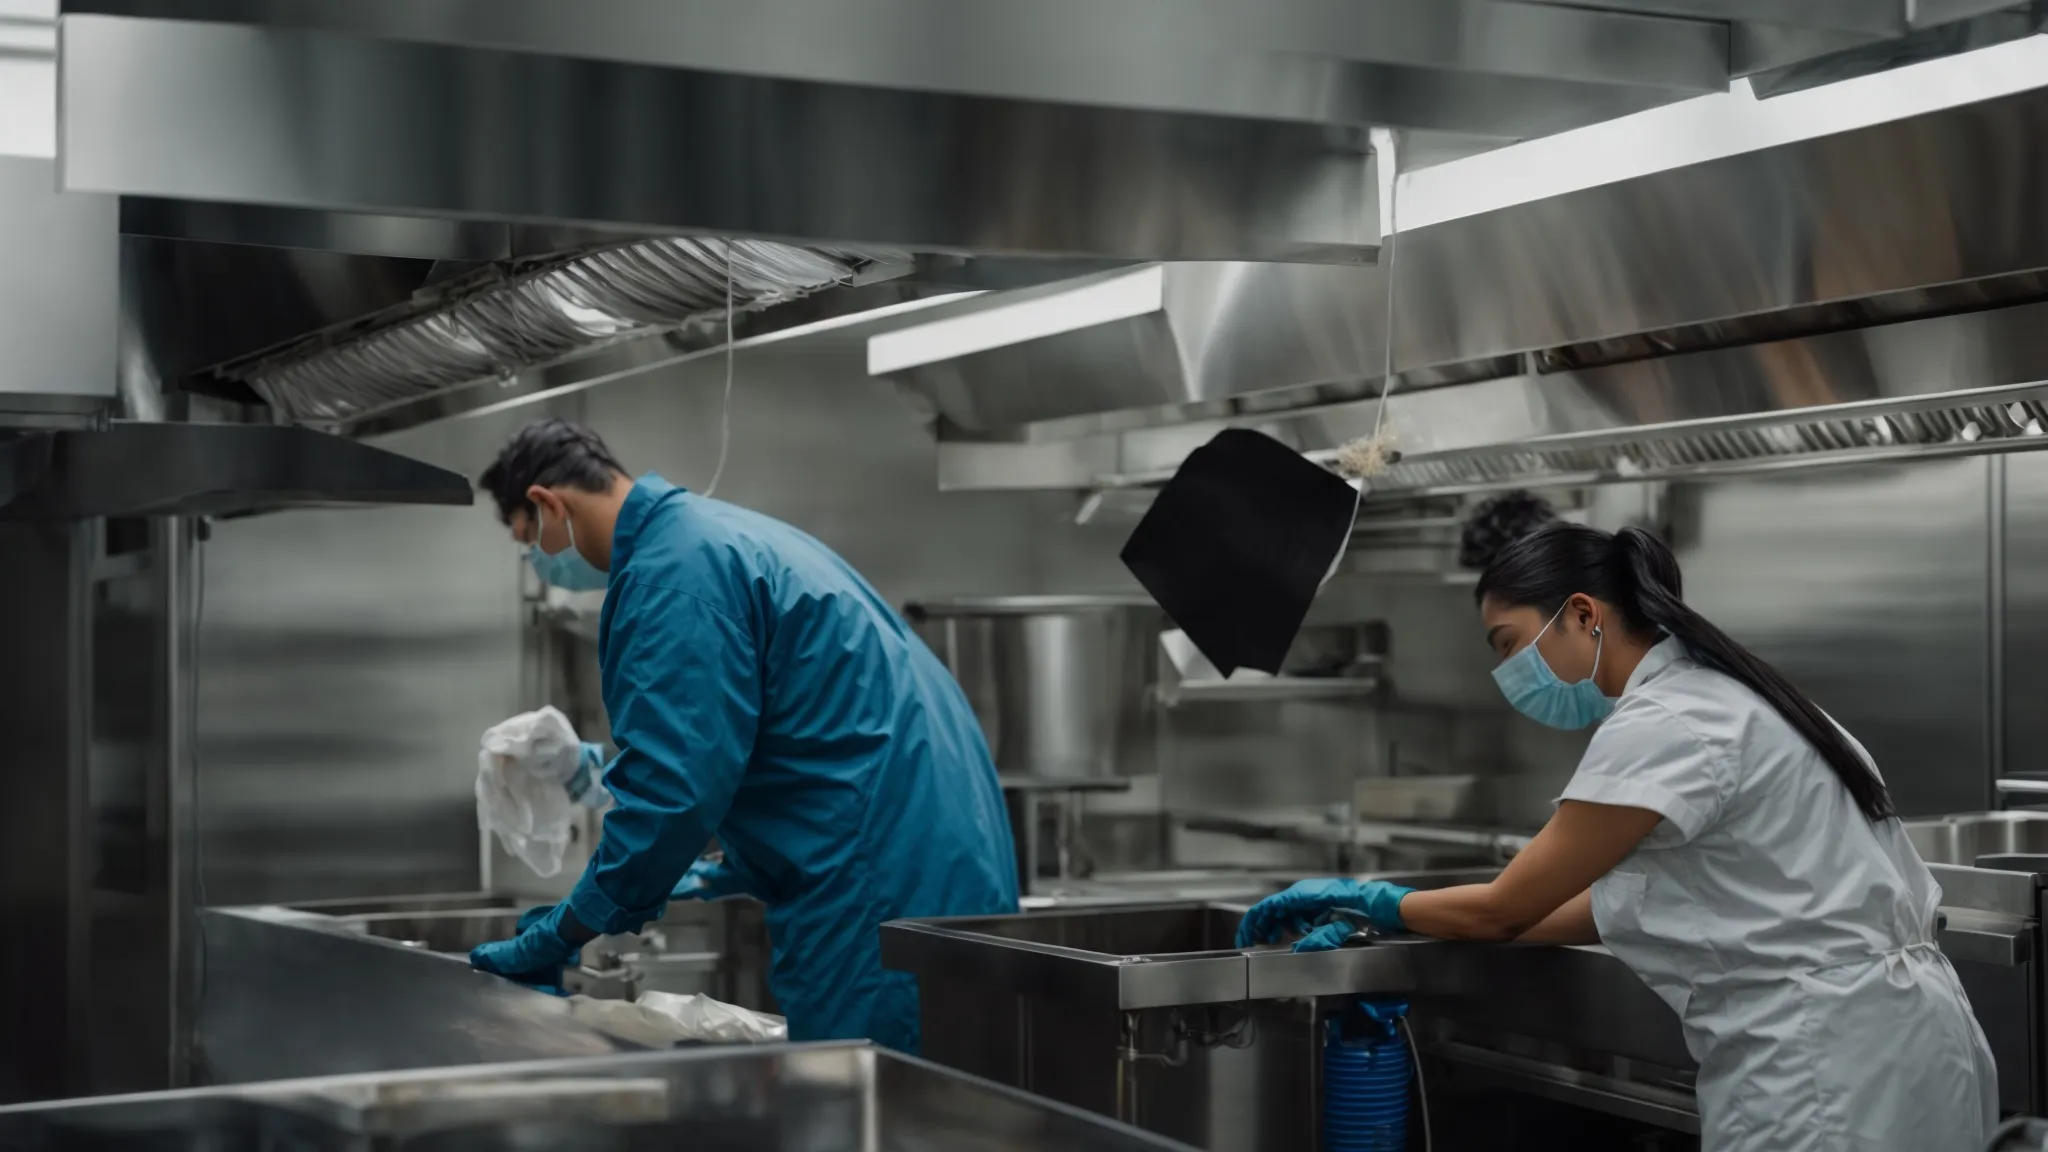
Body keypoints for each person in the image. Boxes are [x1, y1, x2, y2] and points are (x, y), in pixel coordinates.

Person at [1236, 521, 1996, 1152]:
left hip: (1825, 1069)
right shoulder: (1732, 697)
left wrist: (1371, 898)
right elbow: (1601, 907)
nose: (1507, 672)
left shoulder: (1665, 723)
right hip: (1908, 1042)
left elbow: (1502, 908)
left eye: (1507, 643)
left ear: (1582, 615)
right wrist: (1390, 920)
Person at [466, 419, 1019, 1052]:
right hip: (933, 861)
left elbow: (672, 794)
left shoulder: (669, 573)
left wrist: (567, 928)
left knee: (879, 1109)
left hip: (875, 891)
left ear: (547, 504)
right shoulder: (717, 538)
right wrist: (599, 777)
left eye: (527, 539)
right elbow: (757, 742)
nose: (540, 560)